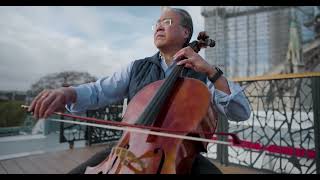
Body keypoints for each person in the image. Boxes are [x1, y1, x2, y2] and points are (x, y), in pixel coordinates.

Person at [28, 8, 251, 174]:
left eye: (167, 21)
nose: (158, 27)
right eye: (156, 24)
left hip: (180, 159)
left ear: (185, 32)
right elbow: (98, 91)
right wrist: (69, 93)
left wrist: (212, 72)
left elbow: (240, 112)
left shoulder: (202, 73)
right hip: (127, 151)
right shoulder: (136, 67)